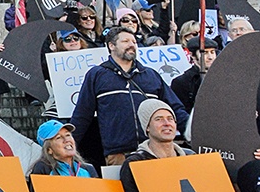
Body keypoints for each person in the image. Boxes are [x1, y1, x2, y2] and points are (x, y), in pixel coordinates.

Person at [70, 26, 187, 166]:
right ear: (111, 45)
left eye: (134, 41)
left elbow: (175, 108)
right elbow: (82, 115)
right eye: (125, 41)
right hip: (118, 154)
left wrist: (193, 132)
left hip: (153, 152)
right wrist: (69, 146)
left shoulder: (151, 75)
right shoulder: (97, 75)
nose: (132, 45)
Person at [170, 34, 216, 114]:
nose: (210, 57)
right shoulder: (181, 82)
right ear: (192, 55)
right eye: (205, 53)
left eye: (212, 52)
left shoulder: (223, 77)